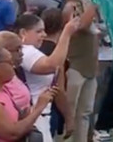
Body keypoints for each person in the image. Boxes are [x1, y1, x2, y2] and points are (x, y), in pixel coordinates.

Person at [0, 47, 57, 142]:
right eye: (9, 62)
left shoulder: (2, 89)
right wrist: (39, 107)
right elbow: (12, 134)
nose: (13, 66)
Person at [15, 12, 80, 141]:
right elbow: (52, 65)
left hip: (42, 115)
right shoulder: (25, 50)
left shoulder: (32, 51)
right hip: (34, 116)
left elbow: (57, 87)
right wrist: (66, 33)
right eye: (38, 31)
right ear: (23, 33)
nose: (44, 35)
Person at [60, 0, 100, 142]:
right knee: (70, 111)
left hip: (90, 68)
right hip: (75, 67)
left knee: (84, 113)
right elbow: (81, 24)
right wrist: (95, 2)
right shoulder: (73, 3)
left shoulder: (90, 7)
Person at [0, 31, 31, 111]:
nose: (21, 54)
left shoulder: (18, 71)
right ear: (3, 51)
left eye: (21, 49)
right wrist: (39, 107)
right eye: (17, 49)